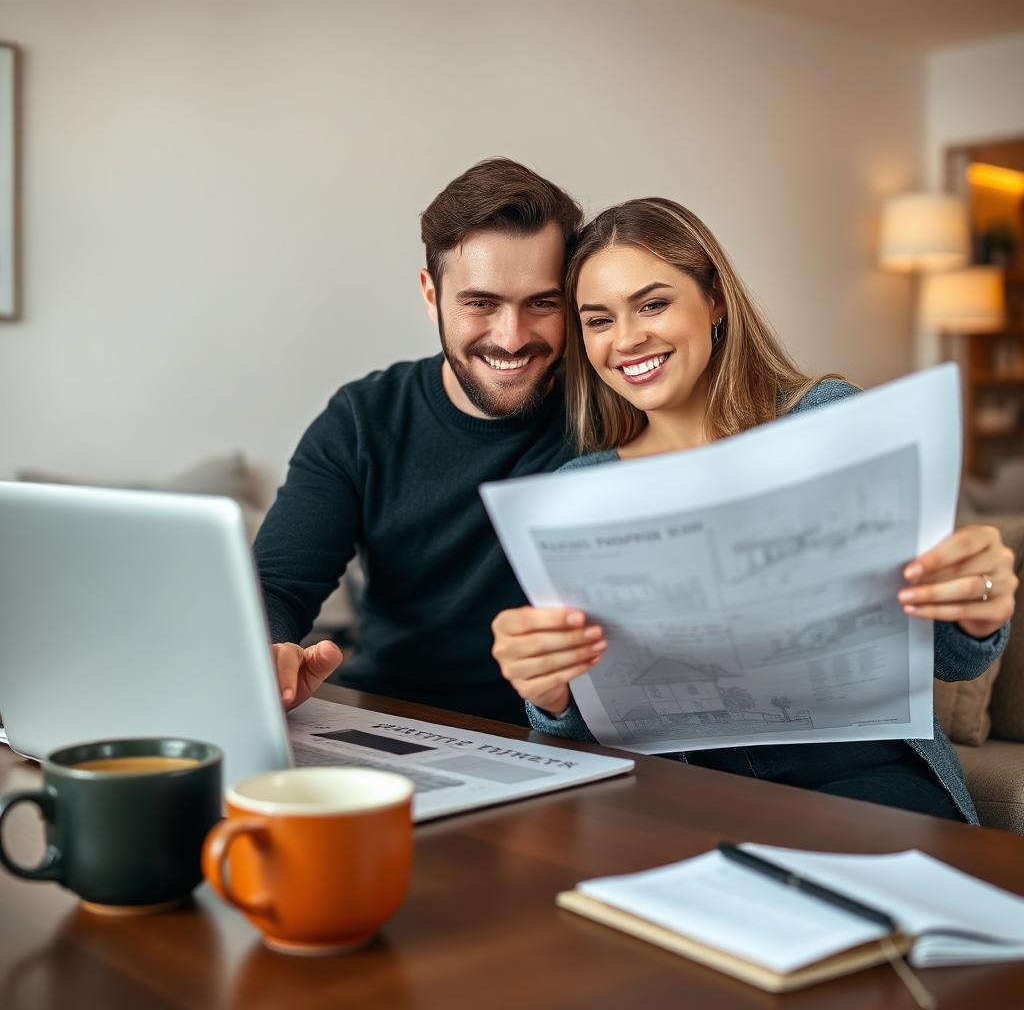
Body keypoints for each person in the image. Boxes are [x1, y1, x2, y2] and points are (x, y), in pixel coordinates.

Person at [491, 197, 1017, 822]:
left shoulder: (826, 417)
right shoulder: (581, 488)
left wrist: (979, 606)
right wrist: (549, 697)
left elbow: (954, 661)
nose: (627, 339)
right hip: (686, 789)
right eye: (598, 319)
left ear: (713, 299)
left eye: (653, 303)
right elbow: (579, 743)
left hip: (866, 769)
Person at [255, 158, 582, 724]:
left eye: (542, 303)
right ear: (431, 294)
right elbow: (275, 585)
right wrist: (269, 651)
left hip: (559, 737)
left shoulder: (612, 417)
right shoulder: (364, 418)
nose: (512, 337)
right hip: (387, 717)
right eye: (480, 303)